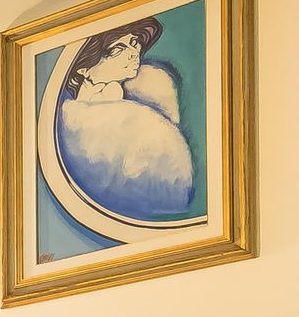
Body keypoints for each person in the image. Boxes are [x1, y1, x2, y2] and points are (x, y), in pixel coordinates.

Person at [54, 16, 196, 219]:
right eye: (117, 50)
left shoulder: (144, 90)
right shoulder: (71, 117)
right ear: (83, 68)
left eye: (134, 43)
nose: (133, 53)